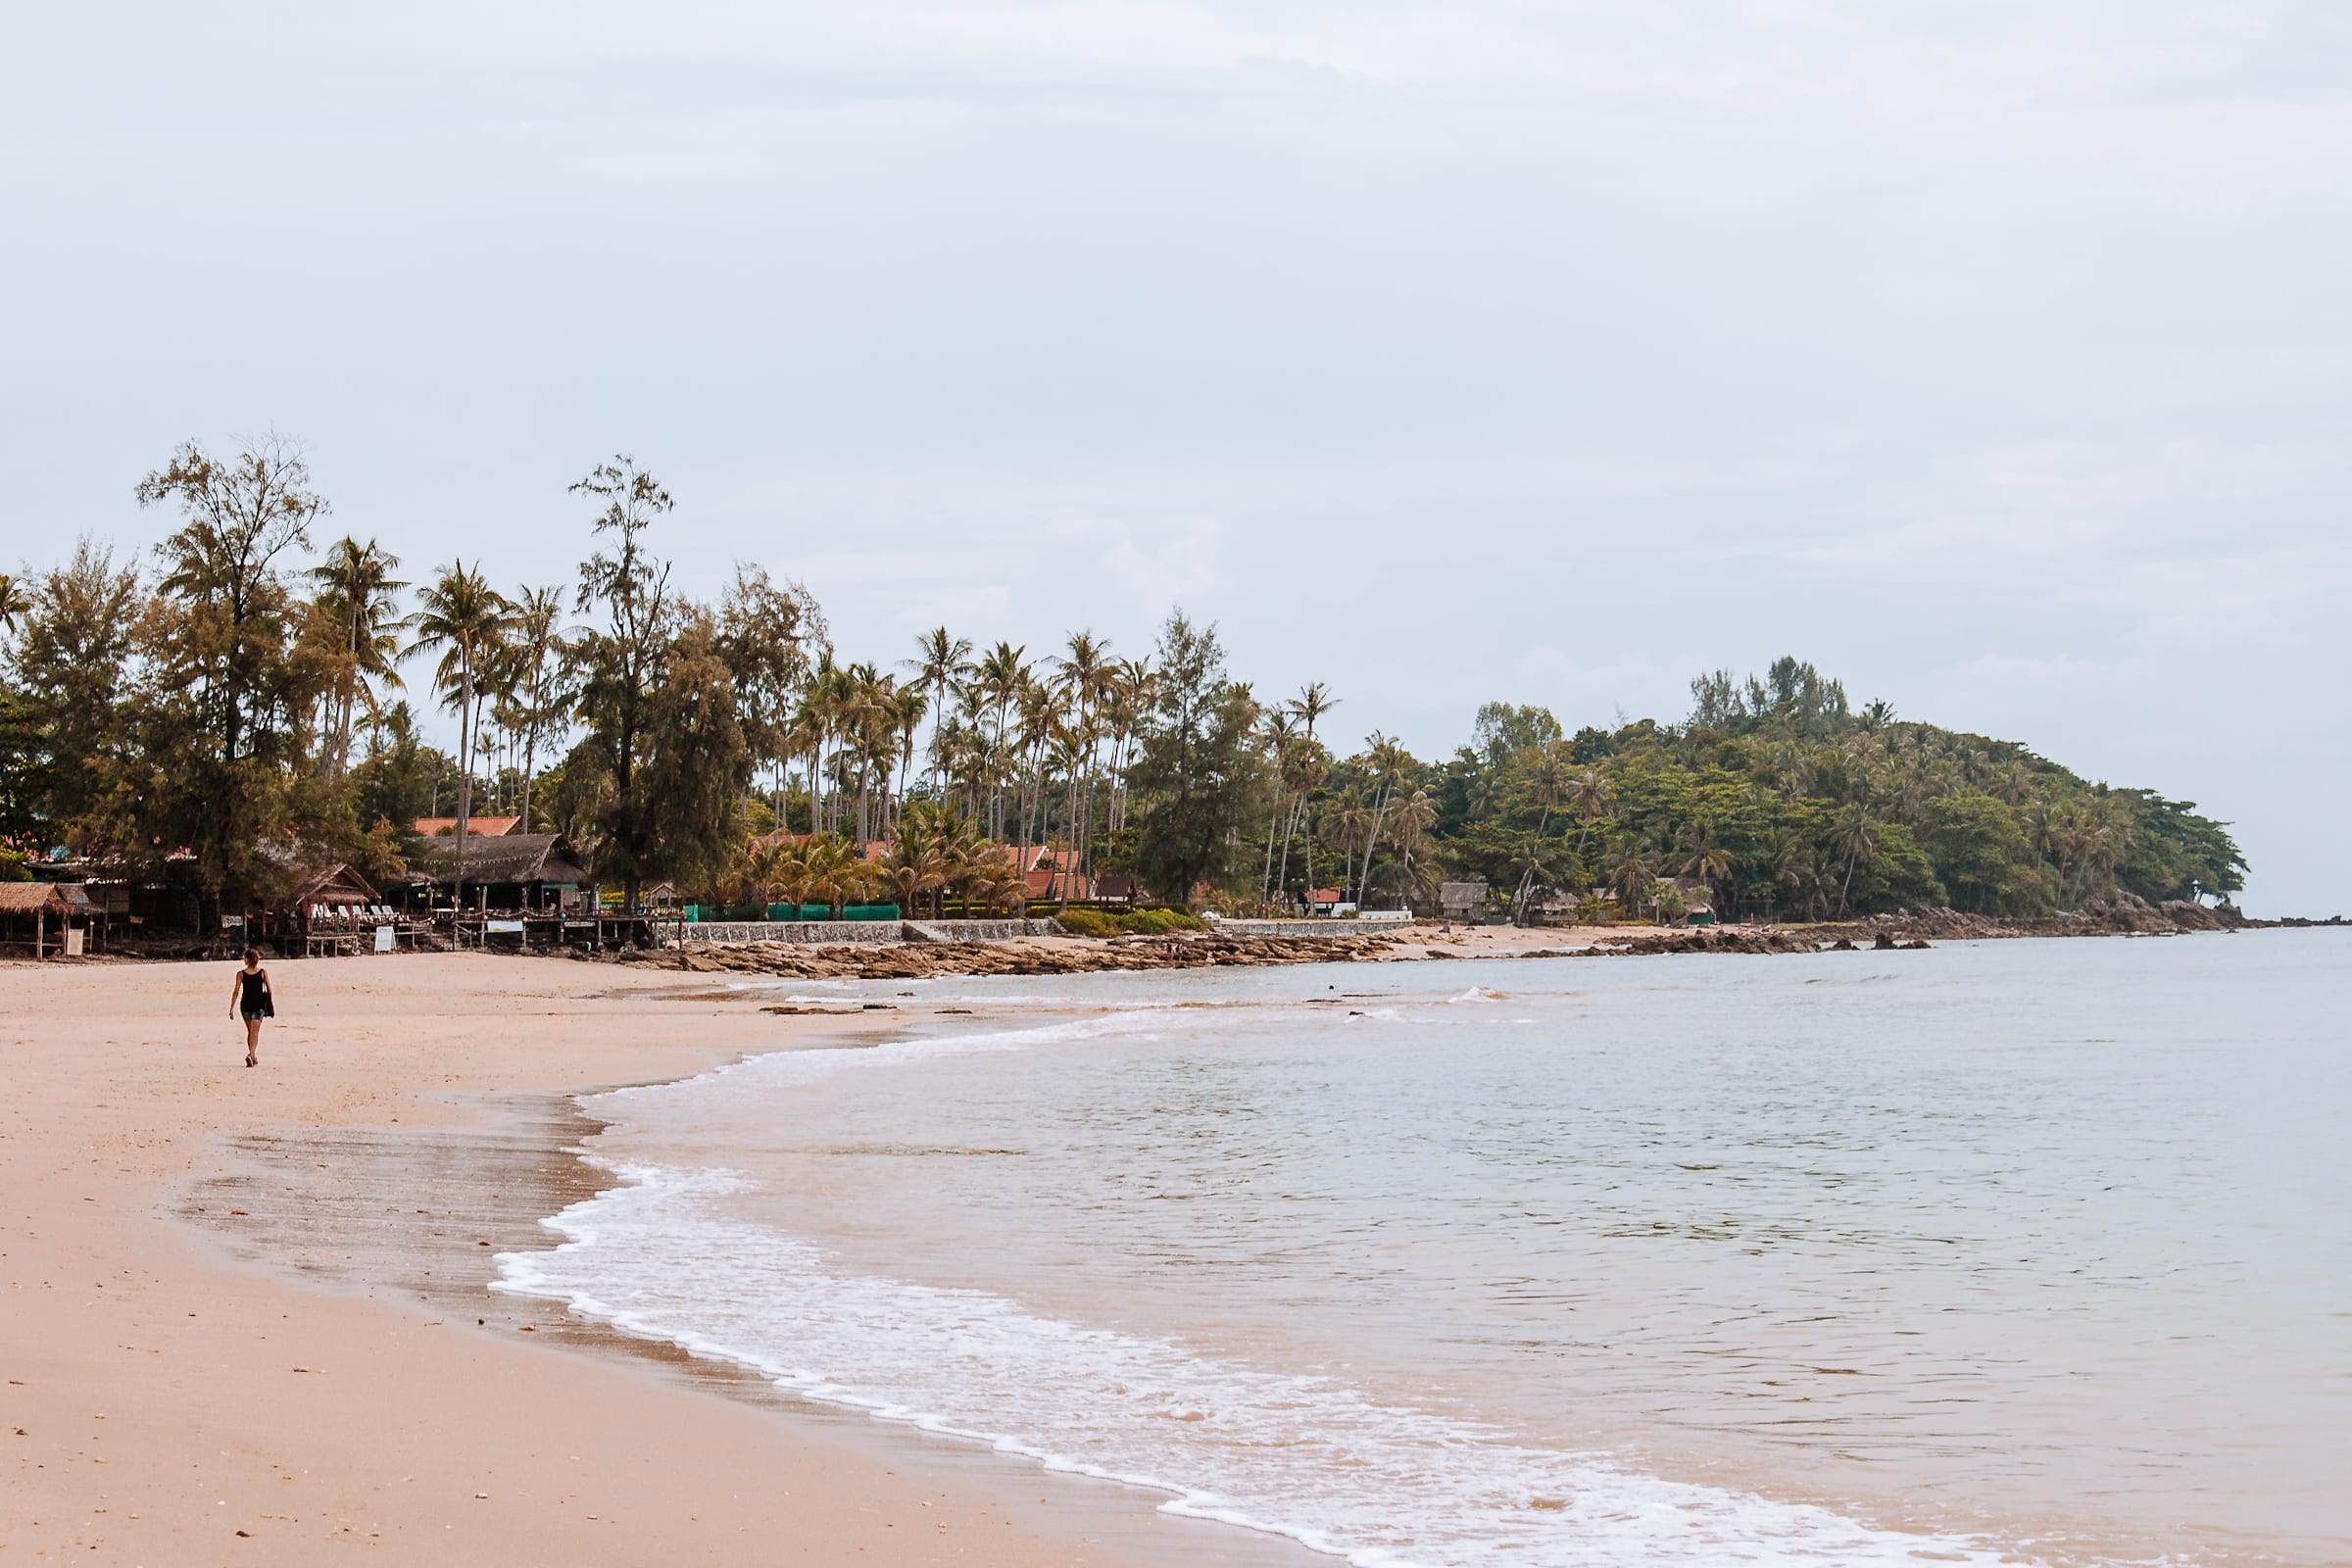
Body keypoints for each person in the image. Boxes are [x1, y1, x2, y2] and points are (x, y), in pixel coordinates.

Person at [228, 947, 273, 1067]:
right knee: (254, 1033)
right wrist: (270, 1005)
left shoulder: (241, 974)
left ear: (248, 960)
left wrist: (232, 1008)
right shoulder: (262, 972)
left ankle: (252, 1056)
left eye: (244, 958)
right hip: (258, 1006)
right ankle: (251, 1055)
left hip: (245, 1006)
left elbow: (236, 992)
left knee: (251, 1032)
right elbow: (269, 990)